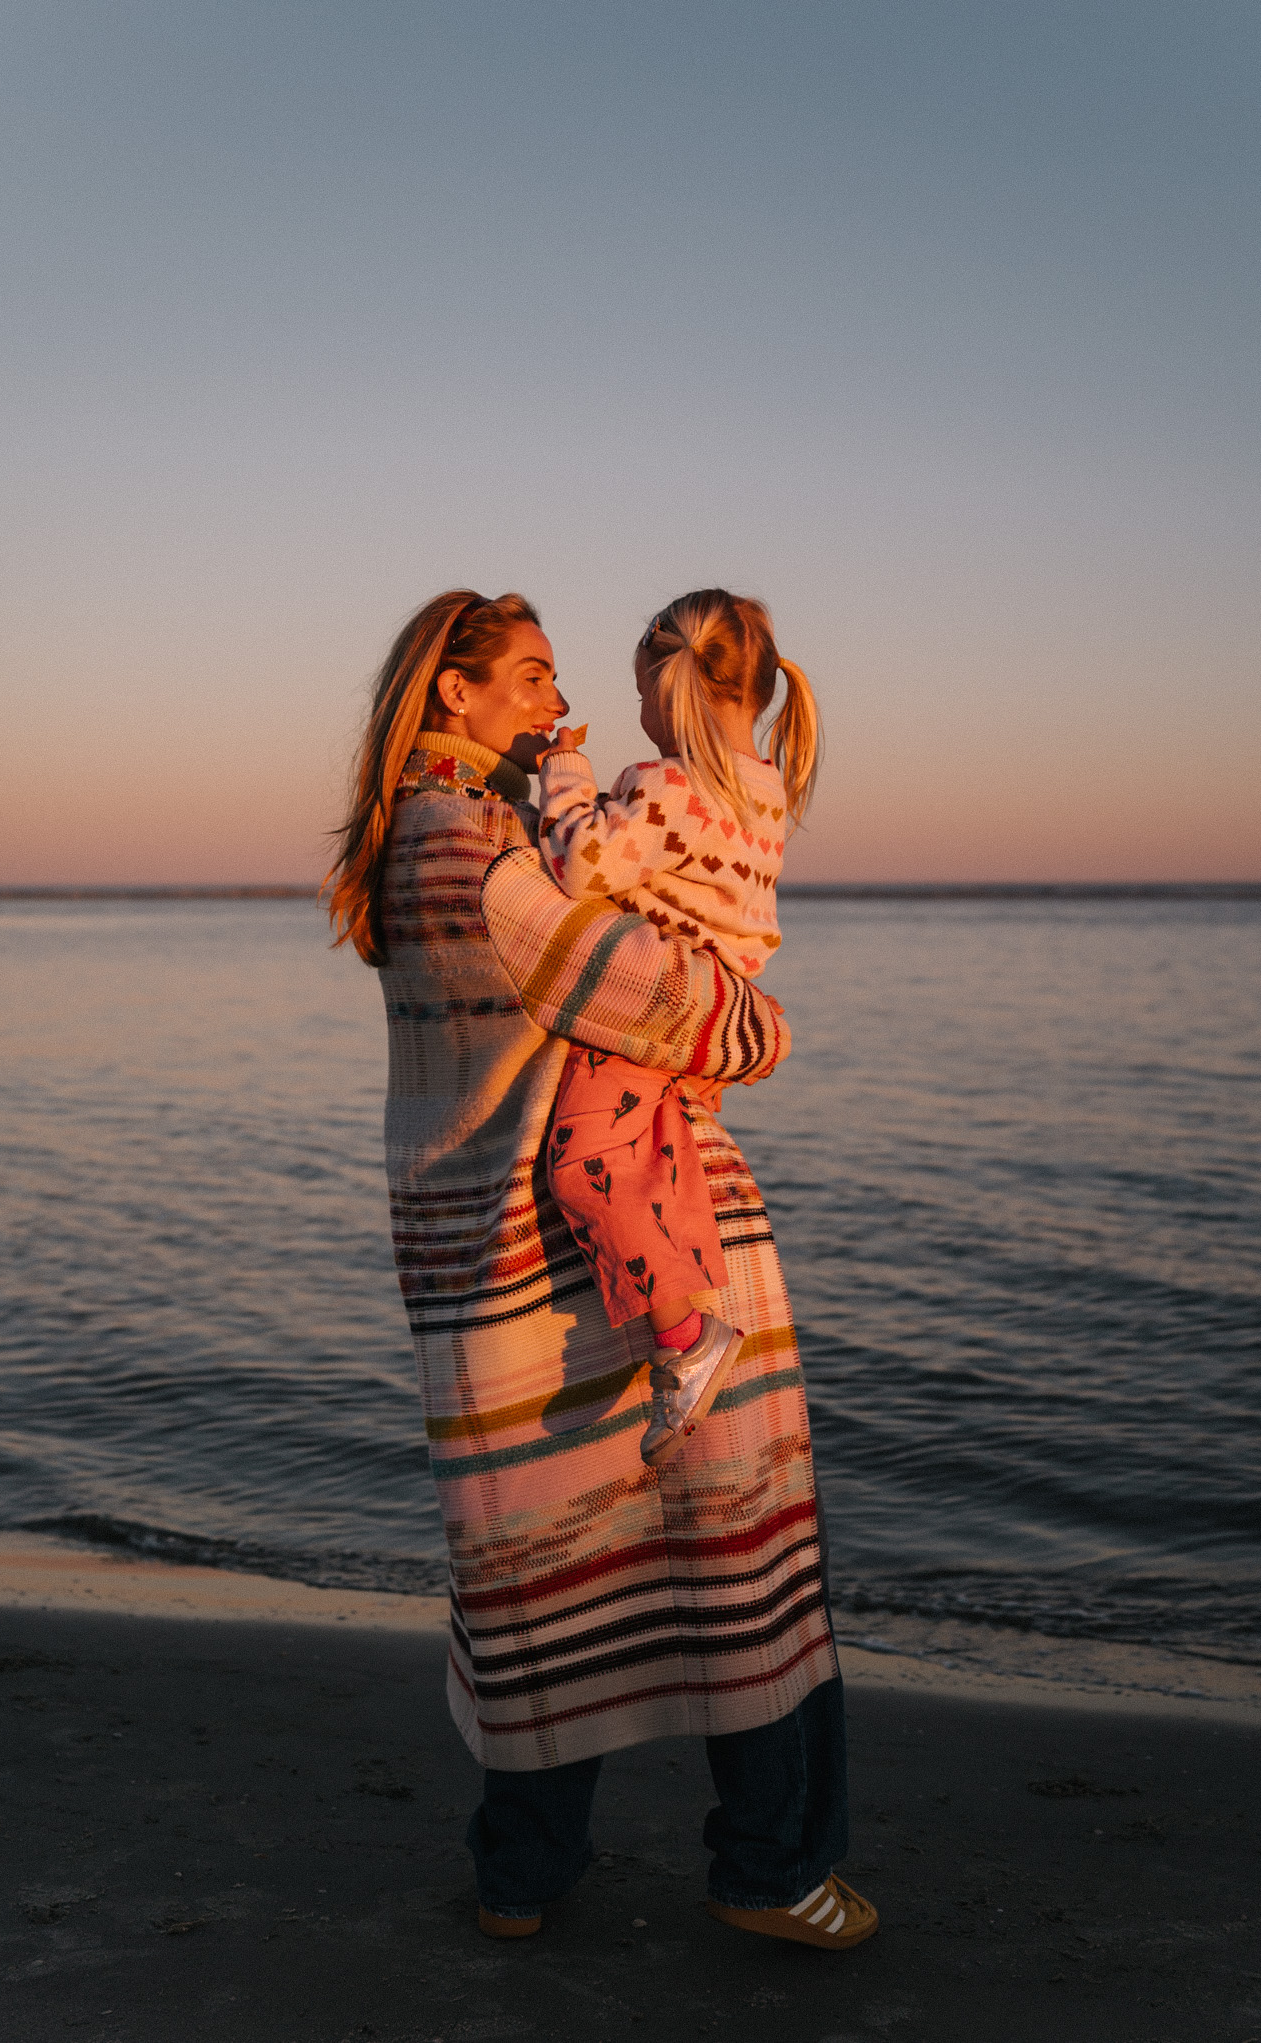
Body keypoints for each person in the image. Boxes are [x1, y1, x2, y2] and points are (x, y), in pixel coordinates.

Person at [327, 588, 877, 1952]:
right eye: (527, 675)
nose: (549, 697)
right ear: (454, 696)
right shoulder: (469, 847)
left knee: (544, 1573)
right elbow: (687, 1007)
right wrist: (758, 1019)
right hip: (604, 1257)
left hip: (502, 1266)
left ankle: (525, 1874)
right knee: (739, 1562)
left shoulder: (440, 831)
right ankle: (771, 1863)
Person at [536, 590, 820, 1469]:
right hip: (711, 1017)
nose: (638, 715)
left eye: (641, 695)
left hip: (644, 1015)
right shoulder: (766, 790)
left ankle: (686, 1334)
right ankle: (683, 1317)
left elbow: (580, 867)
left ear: (674, 691)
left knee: (583, 1167)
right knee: (655, 1163)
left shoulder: (663, 788)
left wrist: (564, 777)